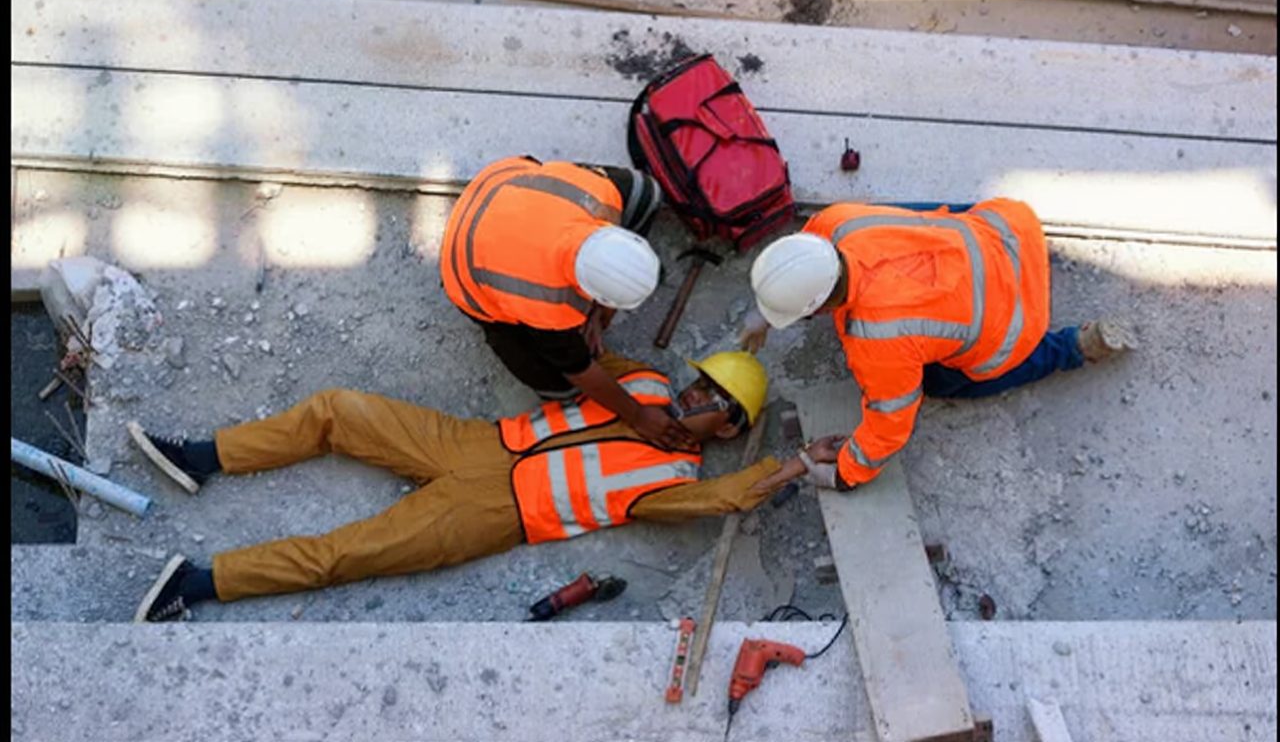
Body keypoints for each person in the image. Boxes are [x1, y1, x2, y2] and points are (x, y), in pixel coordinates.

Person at [128, 351, 837, 622]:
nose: (694, 396)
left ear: (724, 429)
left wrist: (797, 464)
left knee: (342, 554)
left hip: (494, 512)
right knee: (338, 410)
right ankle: (199, 457)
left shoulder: (675, 477)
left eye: (714, 401)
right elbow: (577, 353)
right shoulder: (646, 382)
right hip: (479, 440)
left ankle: (195, 585)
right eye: (700, 381)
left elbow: (722, 499)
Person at [741, 198, 1136, 491]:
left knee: (940, 382)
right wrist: (769, 308)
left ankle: (1073, 347)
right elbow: (807, 247)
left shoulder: (878, 339)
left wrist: (846, 472)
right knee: (910, 217)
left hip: (1018, 318)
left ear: (821, 306)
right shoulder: (838, 222)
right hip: (1010, 232)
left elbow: (890, 422)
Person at [440, 155, 693, 450]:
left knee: (644, 195)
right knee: (559, 389)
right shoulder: (544, 304)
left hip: (499, 185)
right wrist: (636, 415)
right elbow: (579, 368)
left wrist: (599, 315)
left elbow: (645, 191)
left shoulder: (602, 196)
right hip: (465, 267)